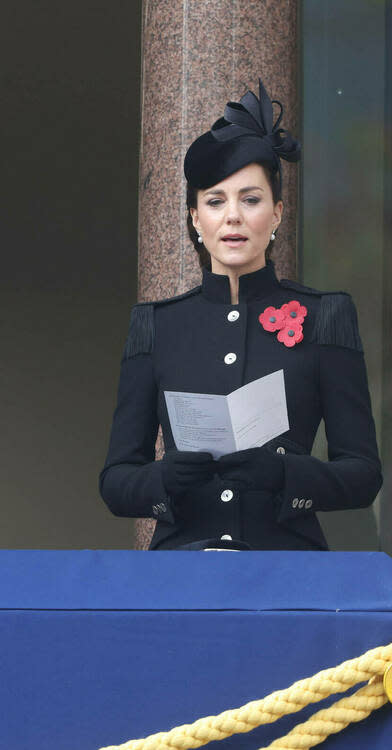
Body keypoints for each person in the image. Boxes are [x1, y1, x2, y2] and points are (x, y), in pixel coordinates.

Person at [99, 82, 382, 550]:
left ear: (276, 215)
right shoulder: (156, 324)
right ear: (195, 219)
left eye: (250, 200)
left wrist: (286, 474)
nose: (233, 217)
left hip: (288, 567)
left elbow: (363, 474)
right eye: (215, 201)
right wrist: (164, 479)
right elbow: (115, 482)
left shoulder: (326, 315)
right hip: (180, 571)